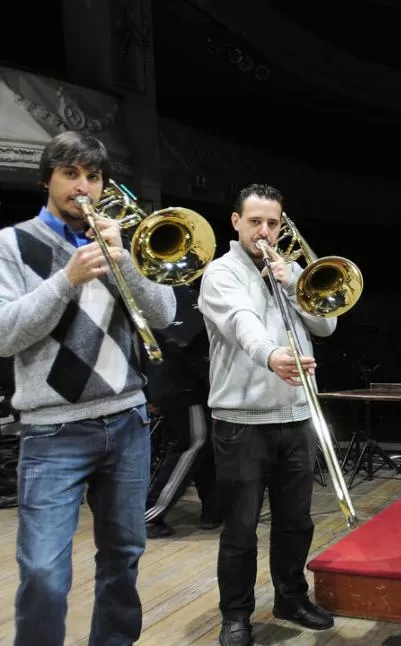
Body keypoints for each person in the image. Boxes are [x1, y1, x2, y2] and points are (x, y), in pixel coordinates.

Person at [0, 130, 177, 645]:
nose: (83, 186)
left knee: (123, 560)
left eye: (93, 176)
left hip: (126, 422)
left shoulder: (119, 235)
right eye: (70, 174)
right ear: (46, 179)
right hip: (52, 432)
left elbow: (164, 313)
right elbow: (5, 335)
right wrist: (65, 280)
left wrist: (127, 262)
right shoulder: (12, 244)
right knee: (43, 573)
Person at [198, 183, 338, 646]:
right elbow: (242, 322)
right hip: (241, 420)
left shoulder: (291, 269)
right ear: (235, 222)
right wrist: (271, 353)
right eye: (255, 221)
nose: (264, 231)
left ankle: (291, 598)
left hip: (296, 414)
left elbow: (326, 323)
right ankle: (236, 614)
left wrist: (293, 283)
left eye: (273, 223)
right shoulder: (220, 273)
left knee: (296, 521)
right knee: (239, 527)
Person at [143, 283, 221, 538]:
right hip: (182, 385)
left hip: (184, 384)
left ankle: (213, 510)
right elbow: (181, 337)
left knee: (205, 445)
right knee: (194, 444)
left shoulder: (177, 291)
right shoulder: (171, 291)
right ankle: (149, 513)